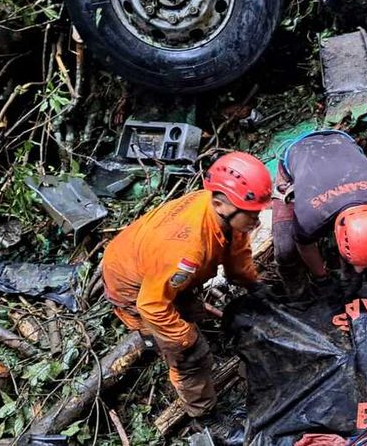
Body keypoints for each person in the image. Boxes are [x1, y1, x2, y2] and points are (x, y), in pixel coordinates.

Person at [102, 152, 271, 418]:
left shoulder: (224, 214)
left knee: (191, 310)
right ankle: (202, 414)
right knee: (191, 355)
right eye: (251, 215)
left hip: (156, 271)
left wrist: (253, 283)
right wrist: (185, 338)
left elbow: (236, 252)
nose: (257, 221)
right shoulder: (185, 251)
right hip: (134, 291)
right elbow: (151, 305)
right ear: (219, 204)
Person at [272, 130, 367, 287]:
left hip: (339, 141)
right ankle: (298, 294)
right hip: (298, 151)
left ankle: (349, 276)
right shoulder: (309, 220)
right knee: (285, 251)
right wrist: (321, 277)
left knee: (355, 264)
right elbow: (305, 246)